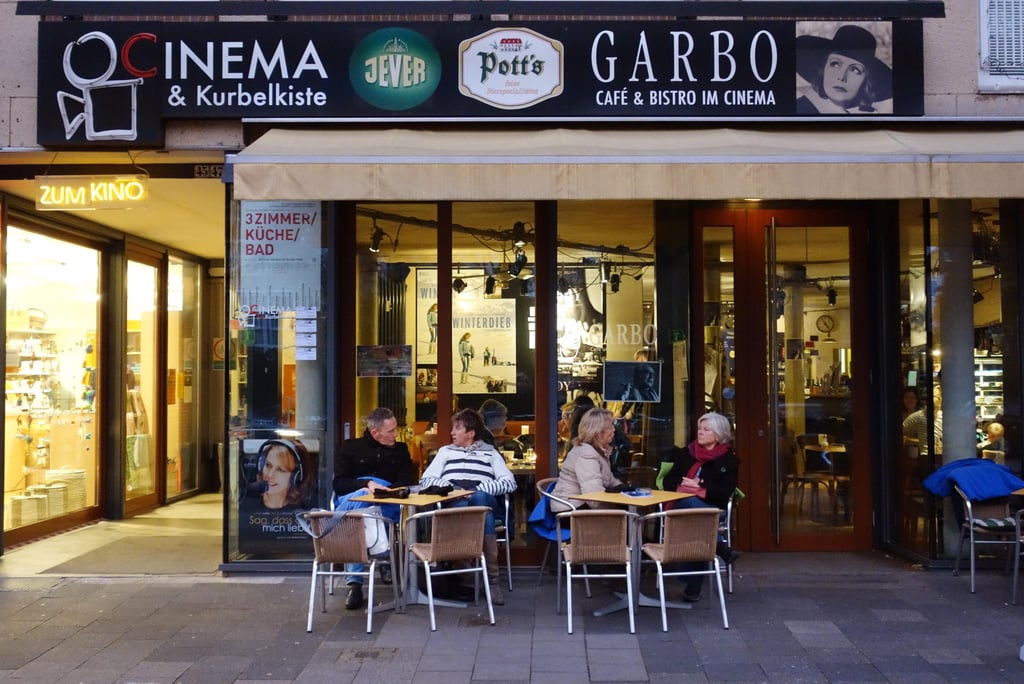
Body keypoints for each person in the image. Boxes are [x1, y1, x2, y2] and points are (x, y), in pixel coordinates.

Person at [419, 408, 517, 604]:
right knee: (483, 514)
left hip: (483, 499)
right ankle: (492, 582)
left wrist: (480, 489)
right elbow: (426, 480)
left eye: (457, 428)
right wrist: (450, 489)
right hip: (456, 502)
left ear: (471, 433)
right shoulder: (445, 452)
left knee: (480, 500)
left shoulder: (490, 453)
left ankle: (470, 576)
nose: (452, 433)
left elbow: (510, 483)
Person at [332, 407, 416, 611]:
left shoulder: (400, 450)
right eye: (391, 431)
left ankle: (354, 582)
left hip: (387, 504)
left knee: (358, 516)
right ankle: (384, 554)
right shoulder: (351, 448)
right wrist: (367, 484)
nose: (396, 434)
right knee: (362, 502)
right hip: (355, 499)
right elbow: (340, 484)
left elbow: (408, 481)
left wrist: (380, 489)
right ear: (375, 433)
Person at [662, 412, 740, 602]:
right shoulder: (685, 454)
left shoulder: (729, 461)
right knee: (691, 508)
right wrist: (682, 484)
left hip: (711, 507)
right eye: (699, 428)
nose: (700, 432)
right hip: (682, 505)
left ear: (718, 435)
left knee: (695, 517)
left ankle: (694, 584)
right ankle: (718, 546)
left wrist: (700, 488)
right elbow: (667, 481)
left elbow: (723, 493)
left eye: (706, 429)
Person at [795, 24, 893, 115]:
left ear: (866, 81)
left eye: (855, 70)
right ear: (823, 69)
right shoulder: (800, 109)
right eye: (835, 64)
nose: (842, 78)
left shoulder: (866, 116)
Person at [551, 408, 625, 512]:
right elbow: (593, 498)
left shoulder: (598, 451)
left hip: (579, 505)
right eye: (610, 426)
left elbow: (610, 482)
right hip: (570, 509)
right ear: (598, 432)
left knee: (628, 513)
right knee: (627, 515)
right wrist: (618, 508)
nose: (614, 429)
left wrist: (627, 489)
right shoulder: (586, 454)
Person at [251, 440, 310, 511]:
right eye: (268, 465)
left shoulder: (303, 511)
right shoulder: (245, 504)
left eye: (280, 470)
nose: (270, 475)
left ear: (296, 476)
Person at [903, 387, 943, 456]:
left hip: (937, 455)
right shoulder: (917, 416)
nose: (909, 400)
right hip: (929, 456)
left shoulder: (944, 416)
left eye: (912, 397)